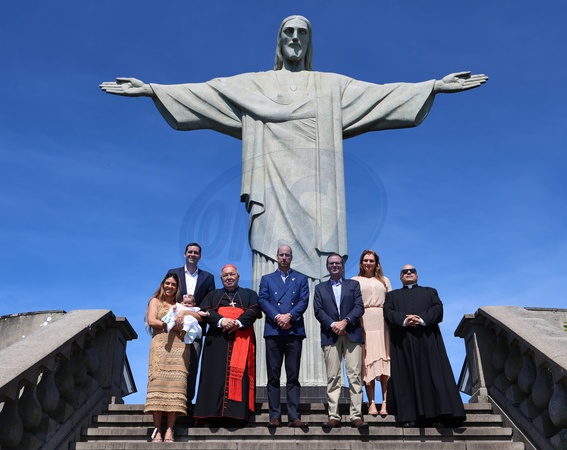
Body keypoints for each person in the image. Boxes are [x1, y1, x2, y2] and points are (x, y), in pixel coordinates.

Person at [100, 15, 488, 284]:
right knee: (271, 262)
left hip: (317, 193)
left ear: (309, 42)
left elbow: (380, 96)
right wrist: (152, 90)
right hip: (271, 189)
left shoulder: (330, 86)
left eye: (303, 33)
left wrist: (433, 86)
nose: (296, 39)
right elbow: (207, 93)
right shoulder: (254, 85)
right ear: (279, 40)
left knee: (322, 270)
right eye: (289, 32)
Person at [383, 264, 466, 428]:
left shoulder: (430, 292)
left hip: (429, 340)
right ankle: (410, 417)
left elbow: (438, 309)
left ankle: (438, 415)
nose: (408, 272)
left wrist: (421, 319)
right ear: (400, 277)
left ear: (417, 275)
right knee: (406, 377)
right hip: (403, 342)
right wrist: (405, 320)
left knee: (434, 375)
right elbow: (388, 312)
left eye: (412, 271)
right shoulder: (392, 296)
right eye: (404, 271)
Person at [193, 264, 262, 425]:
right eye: (225, 275)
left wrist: (237, 323)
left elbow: (254, 310)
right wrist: (221, 320)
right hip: (217, 339)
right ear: (221, 278)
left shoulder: (249, 294)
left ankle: (235, 415)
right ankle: (211, 413)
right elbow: (204, 310)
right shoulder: (213, 294)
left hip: (242, 337)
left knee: (241, 374)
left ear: (238, 276)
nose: (229, 278)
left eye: (232, 275)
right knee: (213, 373)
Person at [143, 273, 203, 443]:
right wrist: (170, 326)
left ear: (177, 288)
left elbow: (200, 316)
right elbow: (152, 321)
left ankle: (170, 429)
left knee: (176, 388)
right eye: (167, 283)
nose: (170, 286)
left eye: (173, 284)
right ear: (163, 284)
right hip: (160, 346)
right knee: (158, 385)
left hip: (180, 348)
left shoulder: (179, 305)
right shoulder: (155, 301)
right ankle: (157, 430)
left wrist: (183, 312)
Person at [257, 244, 309, 428]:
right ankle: (274, 416)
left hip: (294, 330)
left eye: (287, 255)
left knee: (293, 375)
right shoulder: (267, 279)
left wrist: (290, 316)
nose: (284, 258)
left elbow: (304, 300)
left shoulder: (301, 278)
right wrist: (278, 316)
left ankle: (294, 416)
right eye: (281, 255)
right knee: (273, 376)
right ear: (277, 257)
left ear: (291, 257)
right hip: (274, 330)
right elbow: (262, 299)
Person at [313, 253, 367, 429]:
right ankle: (333, 416)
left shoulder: (353, 285)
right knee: (333, 376)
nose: (334, 265)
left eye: (337, 263)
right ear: (327, 266)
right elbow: (318, 310)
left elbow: (359, 307)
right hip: (330, 335)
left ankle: (356, 415)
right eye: (331, 263)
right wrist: (333, 324)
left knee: (354, 375)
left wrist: (345, 321)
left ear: (342, 266)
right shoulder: (320, 288)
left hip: (352, 333)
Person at [167, 243, 215, 412]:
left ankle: (187, 402)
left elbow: (209, 303)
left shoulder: (208, 277)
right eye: (190, 252)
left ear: (200, 256)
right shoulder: (174, 273)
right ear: (185, 254)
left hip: (196, 329)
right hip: (175, 327)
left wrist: (193, 314)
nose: (192, 254)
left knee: (192, 365)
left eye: (196, 252)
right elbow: (167, 296)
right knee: (173, 363)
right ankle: (170, 401)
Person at [352, 250, 392, 416]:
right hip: (364, 320)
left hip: (383, 322)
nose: (368, 263)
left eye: (371, 260)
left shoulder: (384, 280)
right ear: (361, 262)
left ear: (376, 263)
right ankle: (372, 402)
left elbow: (391, 301)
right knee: (368, 362)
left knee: (384, 362)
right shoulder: (355, 281)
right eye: (366, 260)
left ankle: (385, 402)